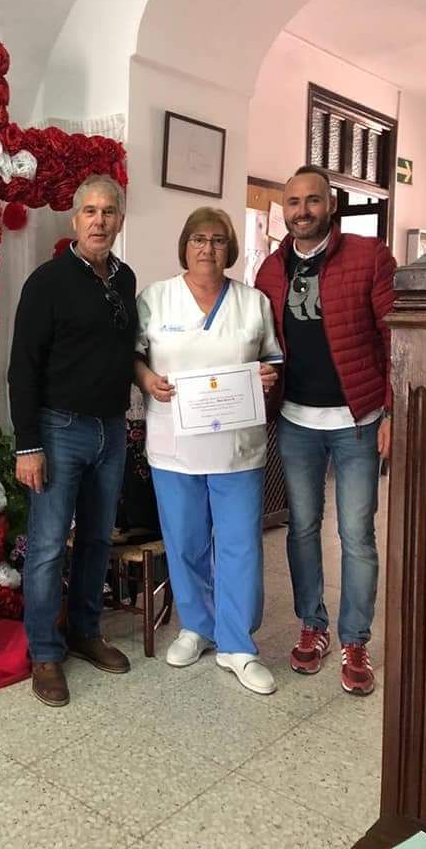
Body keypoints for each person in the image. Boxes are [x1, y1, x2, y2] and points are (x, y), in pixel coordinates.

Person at [255, 165, 395, 696]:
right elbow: (262, 344)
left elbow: (394, 341)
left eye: (312, 201)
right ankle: (312, 626)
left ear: (330, 205)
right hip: (296, 422)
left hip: (358, 421)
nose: (302, 211)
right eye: (293, 203)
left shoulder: (369, 257)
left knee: (357, 536)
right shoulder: (269, 271)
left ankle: (355, 639)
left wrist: (393, 413)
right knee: (303, 528)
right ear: (284, 209)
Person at [134, 207, 283, 695]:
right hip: (174, 445)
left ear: (230, 249)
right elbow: (136, 358)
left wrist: (266, 374)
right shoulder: (155, 299)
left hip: (237, 447)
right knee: (185, 540)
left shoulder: (252, 301)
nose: (207, 249)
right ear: (185, 245)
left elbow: (271, 357)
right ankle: (196, 627)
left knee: (239, 543)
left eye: (218, 240)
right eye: (198, 238)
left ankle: (238, 645)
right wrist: (147, 379)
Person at [8, 174, 138, 707]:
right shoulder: (48, 281)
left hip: (112, 428)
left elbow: (127, 351)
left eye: (109, 212)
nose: (99, 221)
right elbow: (22, 368)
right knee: (45, 546)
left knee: (98, 540)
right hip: (59, 431)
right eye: (90, 211)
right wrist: (27, 445)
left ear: (120, 220)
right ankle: (44, 651)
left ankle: (85, 632)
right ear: (73, 220)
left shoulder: (124, 279)